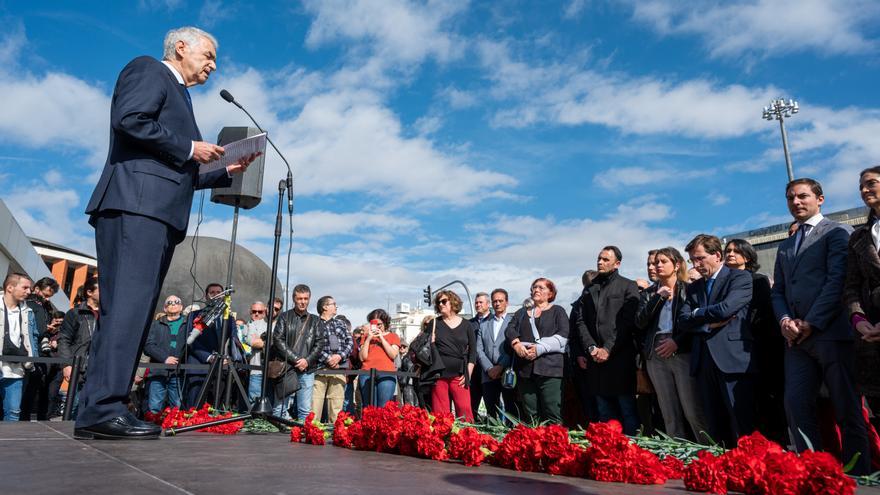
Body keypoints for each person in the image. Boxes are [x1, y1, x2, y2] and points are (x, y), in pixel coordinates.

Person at [76, 26, 258, 440]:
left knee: (131, 310)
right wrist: (191, 147)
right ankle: (104, 408)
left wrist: (221, 171)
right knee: (125, 309)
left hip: (155, 210)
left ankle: (97, 408)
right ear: (181, 48)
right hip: (135, 206)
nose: (213, 65)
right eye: (208, 54)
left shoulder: (183, 96)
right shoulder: (150, 71)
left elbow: (172, 169)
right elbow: (129, 120)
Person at [772, 178, 869, 474]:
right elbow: (778, 291)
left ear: (820, 199)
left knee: (847, 409)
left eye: (802, 196)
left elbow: (838, 280)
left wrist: (812, 322)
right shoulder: (786, 244)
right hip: (797, 341)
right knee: (796, 405)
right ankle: (813, 473)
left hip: (831, 334)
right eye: (790, 198)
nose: (796, 202)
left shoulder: (838, 231)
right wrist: (785, 320)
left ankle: (859, 475)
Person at [678, 234, 755, 447]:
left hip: (732, 361)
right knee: (715, 425)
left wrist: (696, 313)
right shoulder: (693, 287)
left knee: (741, 423)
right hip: (704, 362)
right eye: (692, 260)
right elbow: (682, 320)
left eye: (700, 258)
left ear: (717, 255)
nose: (696, 264)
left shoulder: (739, 278)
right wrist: (704, 323)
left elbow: (726, 309)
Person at [635, 247, 708, 441]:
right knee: (669, 411)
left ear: (676, 265)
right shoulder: (649, 293)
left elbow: (694, 322)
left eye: (663, 261)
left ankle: (708, 452)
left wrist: (677, 341)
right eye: (655, 262)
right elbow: (640, 322)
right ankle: (677, 456)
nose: (657, 265)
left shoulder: (689, 289)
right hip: (656, 353)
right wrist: (658, 297)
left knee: (692, 408)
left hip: (682, 350)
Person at [724, 238, 787, 443]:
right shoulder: (722, 284)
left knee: (768, 402)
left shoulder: (758, 280)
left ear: (747, 256)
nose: (730, 253)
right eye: (728, 250)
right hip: (732, 351)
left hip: (760, 348)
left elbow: (764, 314)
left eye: (736, 250)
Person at [575, 247, 640, 434]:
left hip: (619, 358)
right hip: (596, 361)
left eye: (605, 259)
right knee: (604, 412)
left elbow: (627, 322)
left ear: (617, 263)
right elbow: (580, 321)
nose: (600, 262)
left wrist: (608, 349)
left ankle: (630, 451)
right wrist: (592, 347)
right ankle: (609, 452)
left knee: (627, 410)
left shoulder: (628, 286)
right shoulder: (590, 288)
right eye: (599, 258)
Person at [507, 278, 570, 423]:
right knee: (531, 415)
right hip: (526, 370)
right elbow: (510, 329)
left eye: (541, 288)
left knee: (553, 413)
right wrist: (516, 344)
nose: (536, 290)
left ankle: (555, 443)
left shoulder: (558, 311)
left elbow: (564, 334)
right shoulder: (521, 313)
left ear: (550, 293)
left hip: (550, 369)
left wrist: (540, 349)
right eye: (534, 287)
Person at [845, 166, 880, 412]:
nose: (865, 190)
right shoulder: (859, 237)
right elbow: (851, 287)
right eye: (861, 187)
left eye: (871, 183)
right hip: (871, 337)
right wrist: (858, 319)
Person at [273, 285, 325, 420]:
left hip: (307, 369)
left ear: (309, 299)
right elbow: (278, 340)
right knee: (280, 409)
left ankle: (300, 435)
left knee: (305, 410)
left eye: (306, 298)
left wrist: (307, 361)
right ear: (294, 299)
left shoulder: (316, 320)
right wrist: (297, 359)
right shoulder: (284, 317)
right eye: (300, 298)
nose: (303, 301)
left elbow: (320, 343)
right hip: (287, 367)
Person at [183, 283, 239, 408]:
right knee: (194, 406)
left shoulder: (229, 318)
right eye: (212, 292)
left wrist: (227, 357)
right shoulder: (195, 315)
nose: (216, 295)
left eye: (219, 292)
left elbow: (233, 341)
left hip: (220, 369)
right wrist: (208, 357)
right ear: (206, 296)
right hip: (198, 367)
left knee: (216, 407)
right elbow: (190, 341)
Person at [57, 276, 100, 419]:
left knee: (93, 405)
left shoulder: (109, 314)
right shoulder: (75, 313)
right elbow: (64, 339)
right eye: (101, 289)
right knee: (74, 404)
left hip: (100, 366)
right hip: (79, 366)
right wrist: (66, 364)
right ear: (89, 292)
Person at [430, 291, 475, 421]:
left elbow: (473, 351)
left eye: (444, 301)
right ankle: (442, 440)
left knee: (465, 411)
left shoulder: (467, 325)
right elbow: (421, 347)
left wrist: (468, 372)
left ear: (453, 302)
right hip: (438, 375)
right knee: (440, 415)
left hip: (460, 374)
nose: (440, 304)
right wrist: (430, 342)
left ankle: (467, 439)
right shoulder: (434, 324)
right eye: (438, 302)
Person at [0, 273, 38, 421]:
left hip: (16, 370)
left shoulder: (28, 312)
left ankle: (9, 445)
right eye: (25, 287)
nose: (29, 292)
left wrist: (31, 357)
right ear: (10, 287)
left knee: (14, 412)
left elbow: (33, 336)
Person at [20, 277, 58, 420]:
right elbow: (40, 330)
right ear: (36, 289)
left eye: (50, 296)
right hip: (32, 354)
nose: (48, 299)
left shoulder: (38, 306)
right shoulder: (35, 306)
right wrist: (48, 330)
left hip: (34, 353)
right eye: (46, 295)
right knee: (28, 393)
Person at [476, 289, 516, 420]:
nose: (497, 303)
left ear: (507, 302)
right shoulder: (484, 324)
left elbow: (513, 347)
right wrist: (489, 368)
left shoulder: (513, 322)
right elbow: (479, 349)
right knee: (491, 410)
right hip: (488, 374)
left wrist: (500, 366)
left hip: (507, 372)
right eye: (495, 301)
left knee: (510, 410)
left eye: (501, 301)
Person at [312, 296, 353, 423]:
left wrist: (339, 356)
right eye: (333, 304)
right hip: (319, 370)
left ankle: (335, 436)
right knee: (314, 409)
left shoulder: (340, 323)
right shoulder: (314, 324)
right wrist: (328, 359)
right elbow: (312, 345)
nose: (336, 306)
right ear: (325, 307)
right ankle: (312, 435)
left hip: (338, 370)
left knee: (336, 409)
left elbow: (350, 342)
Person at [142, 295, 186, 413]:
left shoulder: (188, 325)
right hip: (158, 371)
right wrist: (164, 358)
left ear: (181, 307)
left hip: (179, 372)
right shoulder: (156, 324)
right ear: (165, 308)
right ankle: (154, 429)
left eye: (176, 302)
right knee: (154, 407)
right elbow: (148, 346)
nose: (172, 304)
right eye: (169, 302)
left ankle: (174, 430)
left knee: (177, 408)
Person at [569, 269, 598, 423]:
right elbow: (573, 334)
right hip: (584, 360)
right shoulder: (577, 306)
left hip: (603, 357)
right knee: (589, 402)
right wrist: (579, 354)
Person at [358, 309, 401, 408]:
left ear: (385, 323)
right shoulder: (366, 337)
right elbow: (362, 357)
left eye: (379, 324)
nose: (377, 327)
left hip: (387, 373)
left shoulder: (393, 336)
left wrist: (381, 338)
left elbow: (393, 354)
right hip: (367, 373)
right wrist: (368, 338)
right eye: (373, 324)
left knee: (384, 407)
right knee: (368, 407)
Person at [469, 292, 490, 420]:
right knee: (473, 403)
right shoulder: (469, 324)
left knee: (491, 404)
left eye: (481, 302)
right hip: (474, 369)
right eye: (476, 302)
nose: (478, 305)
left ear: (488, 304)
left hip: (490, 369)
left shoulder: (494, 321)